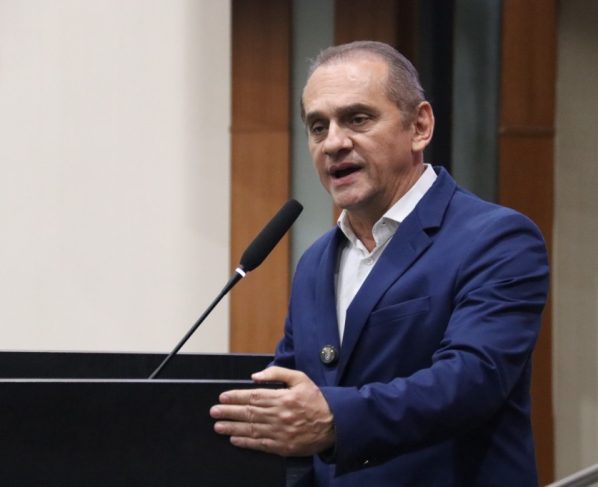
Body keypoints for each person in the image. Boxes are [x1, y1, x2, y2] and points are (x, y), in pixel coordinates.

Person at [210, 41, 549, 486]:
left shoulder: (496, 239)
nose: (333, 143)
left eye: (357, 119)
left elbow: (471, 380)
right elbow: (291, 398)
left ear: (420, 126)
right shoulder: (315, 263)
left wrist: (335, 419)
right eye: (318, 126)